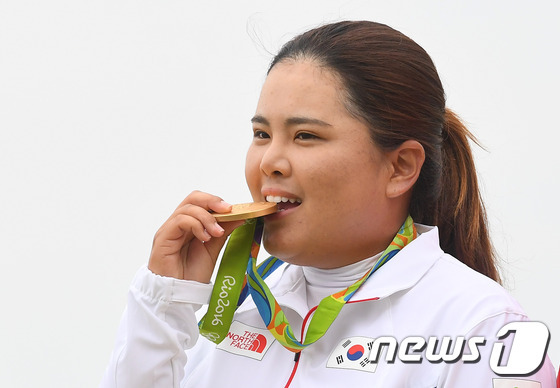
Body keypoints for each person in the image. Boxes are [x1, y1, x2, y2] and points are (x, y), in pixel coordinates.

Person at [100, 21, 556, 387]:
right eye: (262, 134)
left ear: (400, 168)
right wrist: (164, 302)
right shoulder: (234, 308)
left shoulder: (482, 327)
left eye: (305, 136)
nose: (270, 162)